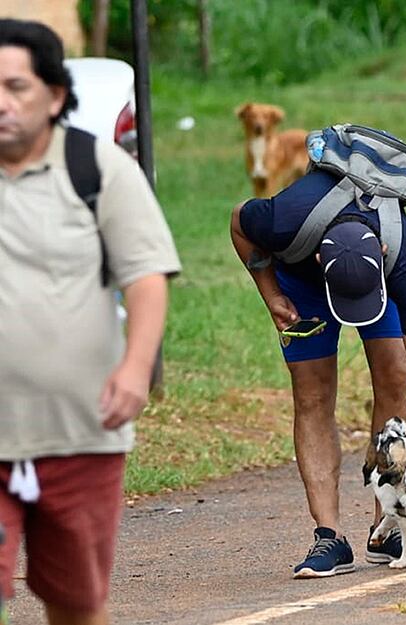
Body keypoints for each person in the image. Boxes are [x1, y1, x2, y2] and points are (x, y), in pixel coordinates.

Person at [0, 19, 181, 624]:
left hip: (80, 432)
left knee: (75, 605)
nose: (1, 101)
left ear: (54, 95)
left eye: (15, 85)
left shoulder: (96, 167)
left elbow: (146, 274)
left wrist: (134, 368)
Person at [230, 157, 406, 578]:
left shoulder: (401, 253)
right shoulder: (285, 219)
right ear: (320, 258)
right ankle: (328, 536)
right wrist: (271, 292)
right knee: (312, 394)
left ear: (383, 252)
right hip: (302, 285)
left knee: (396, 374)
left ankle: (386, 527)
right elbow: (239, 222)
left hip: (379, 285)